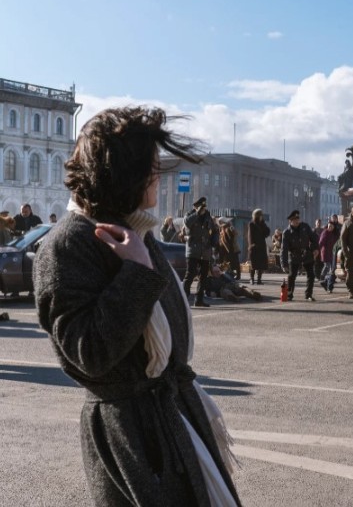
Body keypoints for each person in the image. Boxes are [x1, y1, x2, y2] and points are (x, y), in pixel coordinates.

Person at [33, 106, 241, 506]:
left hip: (169, 417)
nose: (157, 176)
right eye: (150, 166)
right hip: (134, 436)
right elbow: (90, 353)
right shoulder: (67, 245)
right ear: (124, 172)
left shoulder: (133, 231)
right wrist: (137, 272)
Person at [183, 196, 218, 307]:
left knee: (203, 276)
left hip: (205, 250)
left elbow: (215, 230)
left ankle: (199, 300)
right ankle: (183, 299)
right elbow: (187, 223)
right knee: (190, 275)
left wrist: (214, 241)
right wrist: (197, 213)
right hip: (193, 250)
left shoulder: (208, 216)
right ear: (195, 206)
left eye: (204, 207)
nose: (203, 209)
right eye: (200, 207)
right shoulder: (190, 215)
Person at [280, 210, 319, 301]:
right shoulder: (287, 232)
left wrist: (315, 249)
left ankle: (308, 294)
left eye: (298, 219)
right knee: (292, 276)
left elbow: (314, 238)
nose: (297, 221)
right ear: (290, 221)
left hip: (306, 254)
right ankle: (289, 294)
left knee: (311, 275)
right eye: (295, 219)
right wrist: (284, 264)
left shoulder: (305, 227)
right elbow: (284, 249)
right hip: (294, 255)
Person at [247, 208, 270, 284]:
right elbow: (250, 235)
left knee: (261, 264)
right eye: (260, 215)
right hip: (254, 247)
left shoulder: (262, 224)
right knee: (253, 264)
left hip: (261, 246)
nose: (261, 216)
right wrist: (252, 245)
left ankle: (259, 280)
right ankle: (252, 279)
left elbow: (267, 233)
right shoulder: (252, 224)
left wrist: (262, 223)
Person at [318, 220, 340, 293]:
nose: (330, 227)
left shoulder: (335, 233)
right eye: (329, 226)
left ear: (334, 227)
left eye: (331, 226)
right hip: (326, 253)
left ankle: (325, 280)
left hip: (333, 253)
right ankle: (323, 278)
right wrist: (318, 250)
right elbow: (321, 242)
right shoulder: (325, 232)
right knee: (328, 267)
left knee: (332, 268)